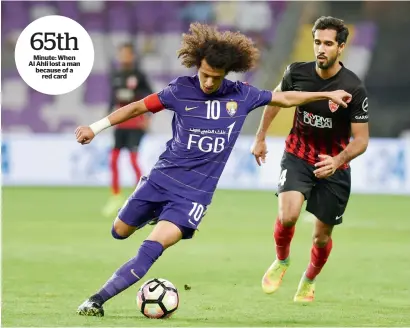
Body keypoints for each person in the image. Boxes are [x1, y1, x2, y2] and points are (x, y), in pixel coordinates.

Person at [75, 22, 352, 316]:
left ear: (226, 73)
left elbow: (284, 98)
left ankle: (96, 300)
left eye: (216, 78)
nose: (209, 82)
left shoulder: (241, 96)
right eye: (205, 75)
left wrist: (327, 94)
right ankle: (154, 213)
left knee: (150, 250)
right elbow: (135, 108)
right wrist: (95, 128)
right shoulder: (179, 90)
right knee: (119, 231)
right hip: (160, 180)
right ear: (197, 65)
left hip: (192, 197)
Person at [251, 16, 369, 302]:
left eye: (328, 44)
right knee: (288, 215)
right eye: (317, 42)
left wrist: (337, 161)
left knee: (321, 237)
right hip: (298, 154)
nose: (321, 49)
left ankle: (310, 277)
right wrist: (261, 136)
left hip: (333, 165)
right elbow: (275, 100)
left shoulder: (354, 88)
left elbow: (362, 141)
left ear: (341, 47)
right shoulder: (296, 73)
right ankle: (282, 260)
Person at [103, 43, 153, 217]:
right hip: (121, 124)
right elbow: (113, 98)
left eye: (126, 54)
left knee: (133, 160)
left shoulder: (139, 76)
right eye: (121, 54)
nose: (123, 57)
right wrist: (107, 118)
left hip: (135, 124)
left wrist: (147, 118)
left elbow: (151, 97)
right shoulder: (115, 75)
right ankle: (115, 196)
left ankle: (140, 196)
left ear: (132, 56)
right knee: (113, 160)